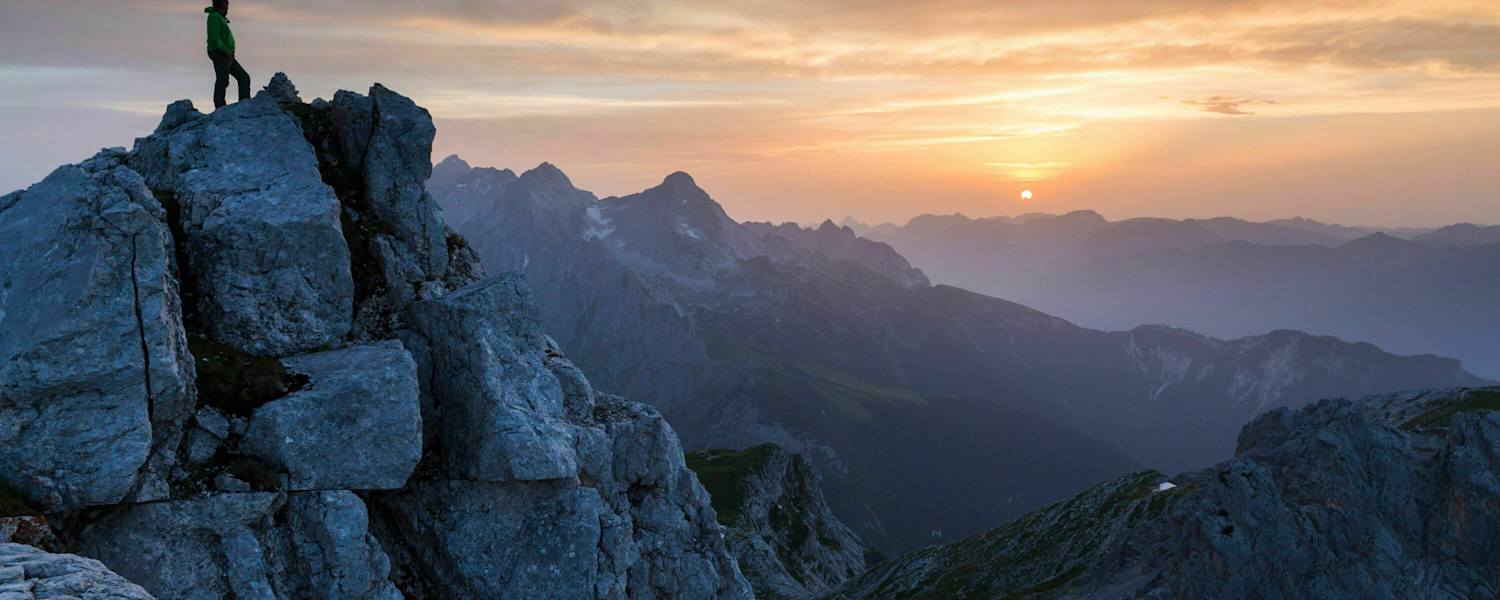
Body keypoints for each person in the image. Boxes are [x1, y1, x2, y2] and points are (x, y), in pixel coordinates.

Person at [206, 0, 250, 109]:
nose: (227, 8)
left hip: (227, 54)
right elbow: (214, 37)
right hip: (221, 53)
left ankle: (244, 106)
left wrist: (228, 52)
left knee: (244, 78)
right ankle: (220, 107)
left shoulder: (220, 18)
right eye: (227, 4)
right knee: (223, 80)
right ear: (223, 4)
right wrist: (224, 50)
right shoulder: (214, 16)